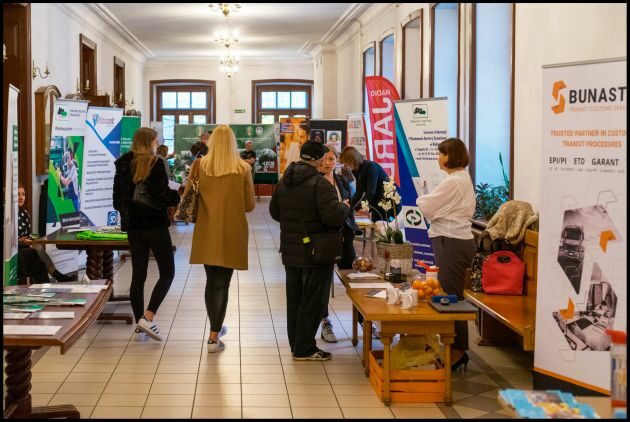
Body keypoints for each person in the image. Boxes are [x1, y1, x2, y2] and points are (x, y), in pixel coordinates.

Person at [270, 141, 350, 361]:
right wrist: (344, 206)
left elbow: (275, 212)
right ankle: (304, 348)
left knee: (294, 299)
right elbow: (333, 216)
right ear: (319, 159)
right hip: (317, 251)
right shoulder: (320, 184)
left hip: (291, 249)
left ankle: (296, 343)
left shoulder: (284, 181)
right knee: (313, 299)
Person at [189, 125, 256, 352]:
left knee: (211, 281)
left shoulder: (200, 165)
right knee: (223, 284)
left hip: (206, 229)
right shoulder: (243, 168)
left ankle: (213, 331)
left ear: (212, 142)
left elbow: (189, 194)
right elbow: (249, 205)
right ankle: (214, 336)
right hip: (233, 231)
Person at [113, 127, 181, 341]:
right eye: (155, 140)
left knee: (138, 276)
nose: (156, 143)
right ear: (150, 141)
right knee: (167, 272)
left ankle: (139, 323)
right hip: (156, 227)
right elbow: (162, 198)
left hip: (133, 228)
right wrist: (176, 194)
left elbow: (116, 201)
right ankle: (148, 317)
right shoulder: (156, 163)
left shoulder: (122, 164)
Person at [416, 138, 476, 372]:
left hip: (452, 241)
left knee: (452, 297)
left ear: (453, 155)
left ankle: (458, 351)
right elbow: (433, 207)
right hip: (450, 240)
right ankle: (454, 348)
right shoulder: (457, 179)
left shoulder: (455, 181)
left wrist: (423, 199)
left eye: (442, 154)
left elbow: (426, 206)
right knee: (449, 294)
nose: (438, 158)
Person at [317, 145, 360, 343]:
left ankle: (363, 319)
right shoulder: (315, 182)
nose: (327, 163)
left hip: (344, 235)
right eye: (324, 159)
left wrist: (350, 220)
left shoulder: (342, 180)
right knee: (323, 283)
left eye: (331, 159)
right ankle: (325, 323)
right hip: (324, 239)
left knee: (353, 279)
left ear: (337, 161)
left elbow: (349, 205)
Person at [17, 184, 76, 283]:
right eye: (18, 194)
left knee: (39, 250)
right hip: (14, 248)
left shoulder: (25, 213)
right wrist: (22, 241)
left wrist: (34, 239)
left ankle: (47, 283)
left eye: (23, 194)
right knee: (37, 251)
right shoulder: (8, 215)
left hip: (25, 244)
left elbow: (28, 235)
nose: (21, 197)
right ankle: (56, 275)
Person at [339, 146, 401, 223]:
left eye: (346, 163)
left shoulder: (371, 167)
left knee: (383, 227)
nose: (345, 166)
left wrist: (357, 208)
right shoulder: (355, 170)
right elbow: (359, 193)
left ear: (352, 160)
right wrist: (349, 208)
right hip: (376, 202)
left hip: (388, 204)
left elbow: (371, 191)